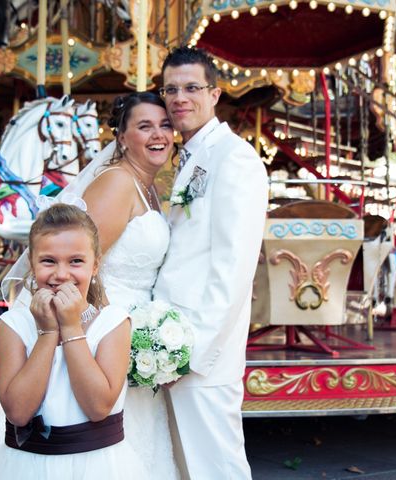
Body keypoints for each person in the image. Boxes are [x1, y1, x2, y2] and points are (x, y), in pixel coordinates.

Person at [0, 91, 178, 479]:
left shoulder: (147, 186)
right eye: (144, 125)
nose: (158, 134)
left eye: (165, 124)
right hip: (88, 326)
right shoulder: (118, 183)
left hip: (121, 328)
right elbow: (75, 261)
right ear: (120, 136)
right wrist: (84, 325)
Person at [0, 203, 142, 480]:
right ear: (32, 264)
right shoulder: (14, 325)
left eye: (76, 261)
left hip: (97, 467)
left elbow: (98, 407)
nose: (61, 274)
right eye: (48, 261)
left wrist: (71, 326)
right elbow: (18, 413)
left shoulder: (113, 323)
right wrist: (48, 333)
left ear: (95, 265)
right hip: (28, 468)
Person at [154, 47, 269, 479]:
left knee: (217, 466)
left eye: (191, 88)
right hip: (169, 339)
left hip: (201, 351)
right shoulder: (191, 157)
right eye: (171, 89)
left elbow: (234, 267)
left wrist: (193, 352)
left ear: (215, 93)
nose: (179, 98)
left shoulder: (234, 158)